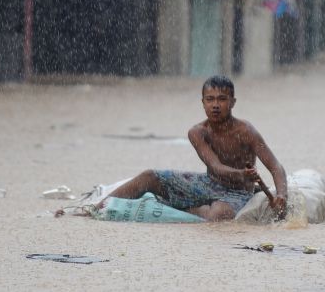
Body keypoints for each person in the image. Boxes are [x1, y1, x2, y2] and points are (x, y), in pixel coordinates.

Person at [103, 75, 288, 222]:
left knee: (218, 217)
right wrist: (242, 173)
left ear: (232, 102)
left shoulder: (246, 131)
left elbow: (275, 166)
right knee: (149, 176)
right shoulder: (197, 132)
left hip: (237, 191)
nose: (215, 105)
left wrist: (281, 195)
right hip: (207, 183)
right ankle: (98, 208)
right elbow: (216, 167)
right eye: (210, 99)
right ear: (203, 102)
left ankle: (191, 209)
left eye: (222, 99)